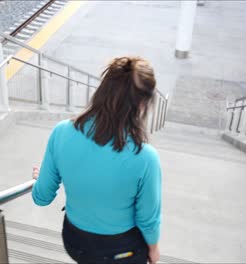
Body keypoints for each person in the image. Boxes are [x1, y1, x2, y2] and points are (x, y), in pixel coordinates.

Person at [31, 56, 162, 264]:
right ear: (143, 104)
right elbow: (148, 219)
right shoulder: (146, 158)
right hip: (121, 252)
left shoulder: (62, 132)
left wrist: (42, 180)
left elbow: (41, 197)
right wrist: (154, 250)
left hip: (76, 242)